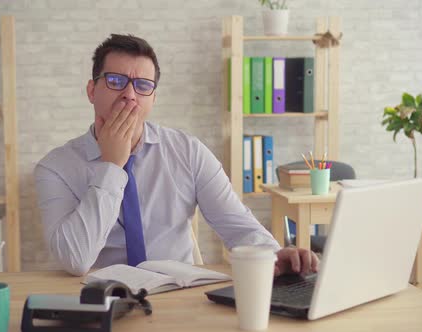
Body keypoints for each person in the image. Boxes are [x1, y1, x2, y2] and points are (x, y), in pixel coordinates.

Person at [34, 34, 319, 277]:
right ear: (91, 90)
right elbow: (75, 259)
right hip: (102, 302)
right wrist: (111, 166)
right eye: (116, 80)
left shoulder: (188, 151)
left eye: (143, 85)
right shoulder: (55, 168)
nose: (130, 95)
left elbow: (238, 225)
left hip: (179, 297)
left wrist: (273, 255)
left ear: (153, 98)